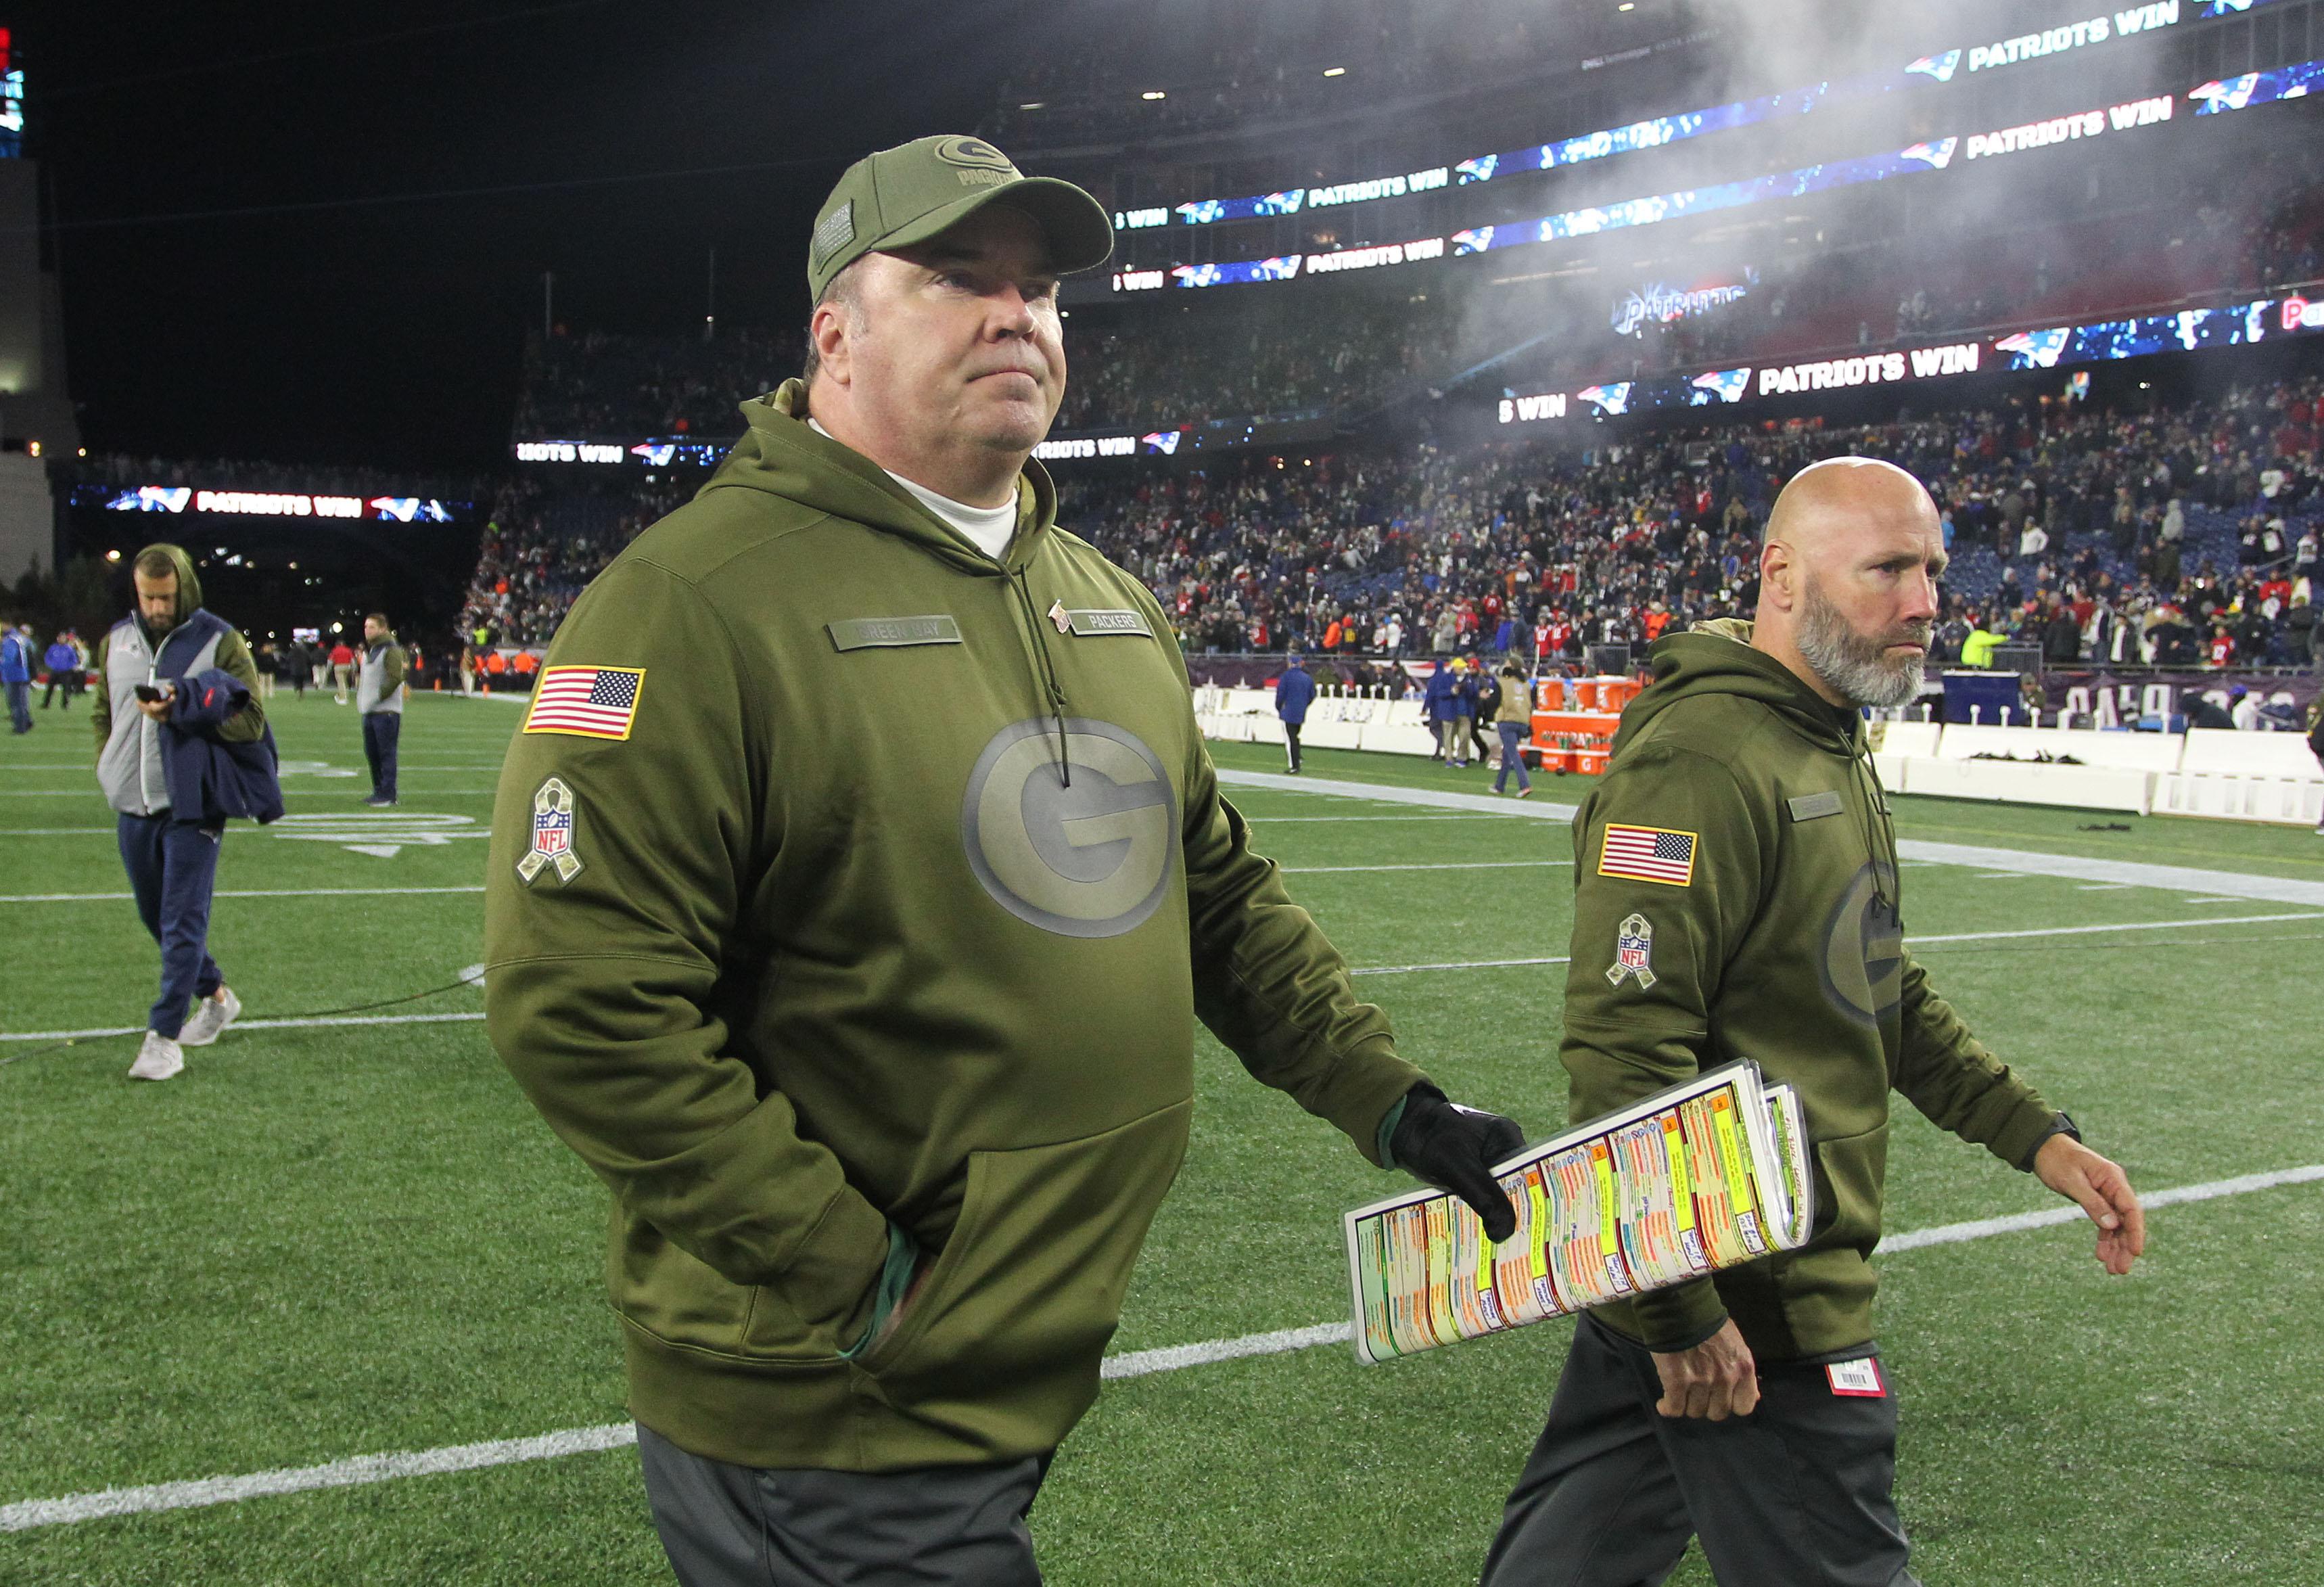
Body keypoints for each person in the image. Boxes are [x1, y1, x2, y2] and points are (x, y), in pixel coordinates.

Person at [481, 133, 1524, 1587]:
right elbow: (578, 1004)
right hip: (835, 1402)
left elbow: (1210, 892)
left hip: (1016, 1351)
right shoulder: (688, 602)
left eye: (1037, 288)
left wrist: (1392, 1104)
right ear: (832, 334)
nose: (1014, 315)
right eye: (958, 279)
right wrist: (865, 1289)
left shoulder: (1101, 595)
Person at [1481, 459, 2143, 1587]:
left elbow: (1875, 989)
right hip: (1749, 1306)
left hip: (1683, 1291)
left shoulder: (1826, 738)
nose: (1927, 601)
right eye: (1887, 569)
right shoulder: (1704, 759)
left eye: (1931, 569)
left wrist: (2034, 1133)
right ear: (1780, 576)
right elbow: (1621, 1056)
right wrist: (1681, 1310)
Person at [94, 544, 283, 1082]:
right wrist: (107, 765)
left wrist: (183, 709)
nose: (157, 608)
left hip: (193, 802)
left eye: (167, 597)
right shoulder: (117, 640)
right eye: (148, 597)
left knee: (182, 921)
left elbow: (251, 722)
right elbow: (104, 713)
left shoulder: (219, 639)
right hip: (133, 801)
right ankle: (217, 996)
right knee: (155, 916)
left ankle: (162, 1037)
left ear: (186, 590)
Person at [356, 612, 408, 806]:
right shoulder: (373, 649)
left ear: (383, 629)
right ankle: (378, 790)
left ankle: (388, 793)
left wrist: (377, 697)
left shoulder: (391, 650)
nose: (367, 630)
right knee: (373, 753)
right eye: (366, 626)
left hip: (385, 712)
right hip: (370, 711)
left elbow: (395, 678)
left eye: (371, 627)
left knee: (386, 753)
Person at [1491, 662, 1533, 798]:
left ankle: (1525, 785)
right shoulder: (1526, 684)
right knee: (1508, 753)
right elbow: (1530, 703)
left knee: (1513, 754)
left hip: (1507, 719)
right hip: (1522, 721)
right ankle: (1499, 785)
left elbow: (1495, 701)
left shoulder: (1502, 683)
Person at [1275, 650, 1315, 773]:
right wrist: (1304, 705)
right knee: (1295, 736)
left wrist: (1279, 707)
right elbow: (1312, 695)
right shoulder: (1307, 678)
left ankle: (1294, 764)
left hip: (1288, 711)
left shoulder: (1286, 677)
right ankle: (1297, 757)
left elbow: (1280, 695)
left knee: (1290, 738)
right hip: (1300, 712)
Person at [1425, 658, 1464, 765]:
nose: (1462, 670)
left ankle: (1445, 753)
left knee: (1446, 734)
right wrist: (1451, 692)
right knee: (1447, 734)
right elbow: (1438, 693)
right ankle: (1448, 756)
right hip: (1447, 710)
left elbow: (1431, 694)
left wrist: (1425, 708)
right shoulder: (1446, 678)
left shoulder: (1437, 678)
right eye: (1461, 668)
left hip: (1444, 710)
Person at [1, 616, 31, 733]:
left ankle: (20, 728)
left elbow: (9, 659)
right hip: (21, 674)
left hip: (14, 675)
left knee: (16, 702)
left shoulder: (10, 640)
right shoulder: (18, 638)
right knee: (22, 702)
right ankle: (26, 723)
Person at [41, 632, 79, 708]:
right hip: (55, 671)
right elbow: (47, 657)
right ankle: (46, 703)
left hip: (66, 672)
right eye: (60, 638)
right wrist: (51, 665)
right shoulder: (53, 648)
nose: (62, 639)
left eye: (63, 638)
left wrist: (68, 667)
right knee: (50, 688)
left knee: (66, 688)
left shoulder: (69, 649)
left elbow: (74, 660)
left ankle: (65, 704)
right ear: (58, 639)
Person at [327, 635, 355, 702]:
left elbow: (330, 661)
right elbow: (353, 660)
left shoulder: (335, 650)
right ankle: (345, 695)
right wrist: (354, 668)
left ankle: (343, 698)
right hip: (348, 666)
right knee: (344, 681)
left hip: (338, 667)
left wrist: (329, 669)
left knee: (341, 682)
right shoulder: (348, 650)